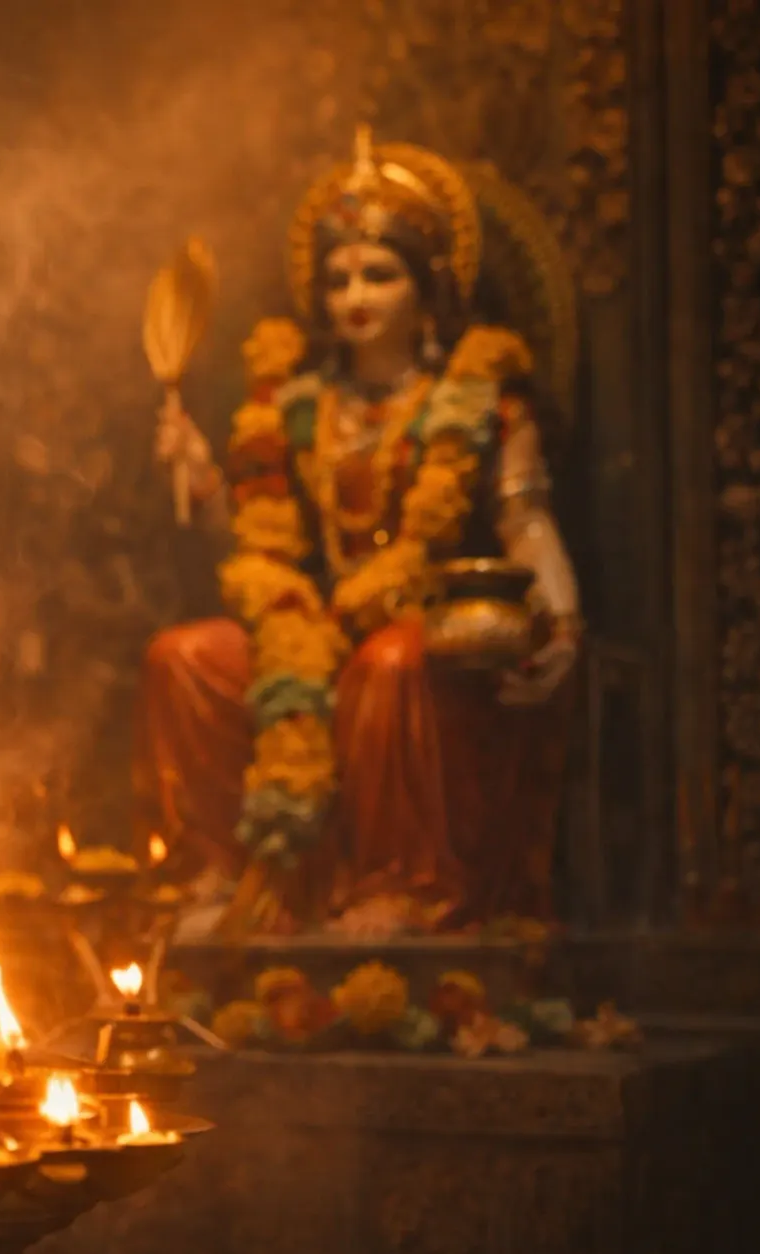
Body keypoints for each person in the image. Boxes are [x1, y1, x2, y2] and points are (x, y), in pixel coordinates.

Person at [136, 131, 581, 936]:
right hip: (314, 626)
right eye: (338, 278)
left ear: (428, 287)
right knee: (185, 658)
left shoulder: (480, 401)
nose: (356, 296)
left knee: (390, 665)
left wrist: (564, 623)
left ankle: (402, 884)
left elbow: (526, 519)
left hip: (423, 641)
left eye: (380, 273)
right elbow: (257, 546)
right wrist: (201, 472)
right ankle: (229, 876)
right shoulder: (295, 406)